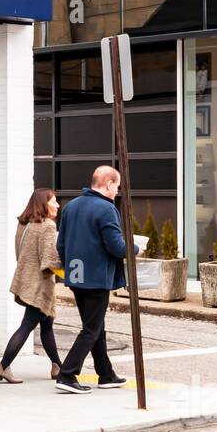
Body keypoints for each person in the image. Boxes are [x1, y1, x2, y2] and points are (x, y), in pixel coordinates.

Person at [53, 165, 139, 394]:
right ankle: (67, 374)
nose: (117, 192)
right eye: (117, 187)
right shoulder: (106, 209)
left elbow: (60, 245)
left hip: (76, 275)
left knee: (96, 326)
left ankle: (106, 374)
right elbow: (116, 246)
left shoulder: (71, 206)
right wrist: (137, 248)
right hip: (97, 277)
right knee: (91, 329)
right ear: (109, 184)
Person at [0, 188, 64, 384]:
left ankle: (57, 366)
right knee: (27, 325)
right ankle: (3, 365)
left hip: (25, 279)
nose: (58, 205)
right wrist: (67, 267)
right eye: (54, 201)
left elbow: (20, 252)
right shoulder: (47, 226)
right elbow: (49, 260)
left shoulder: (24, 224)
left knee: (47, 323)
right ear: (44, 204)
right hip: (39, 285)